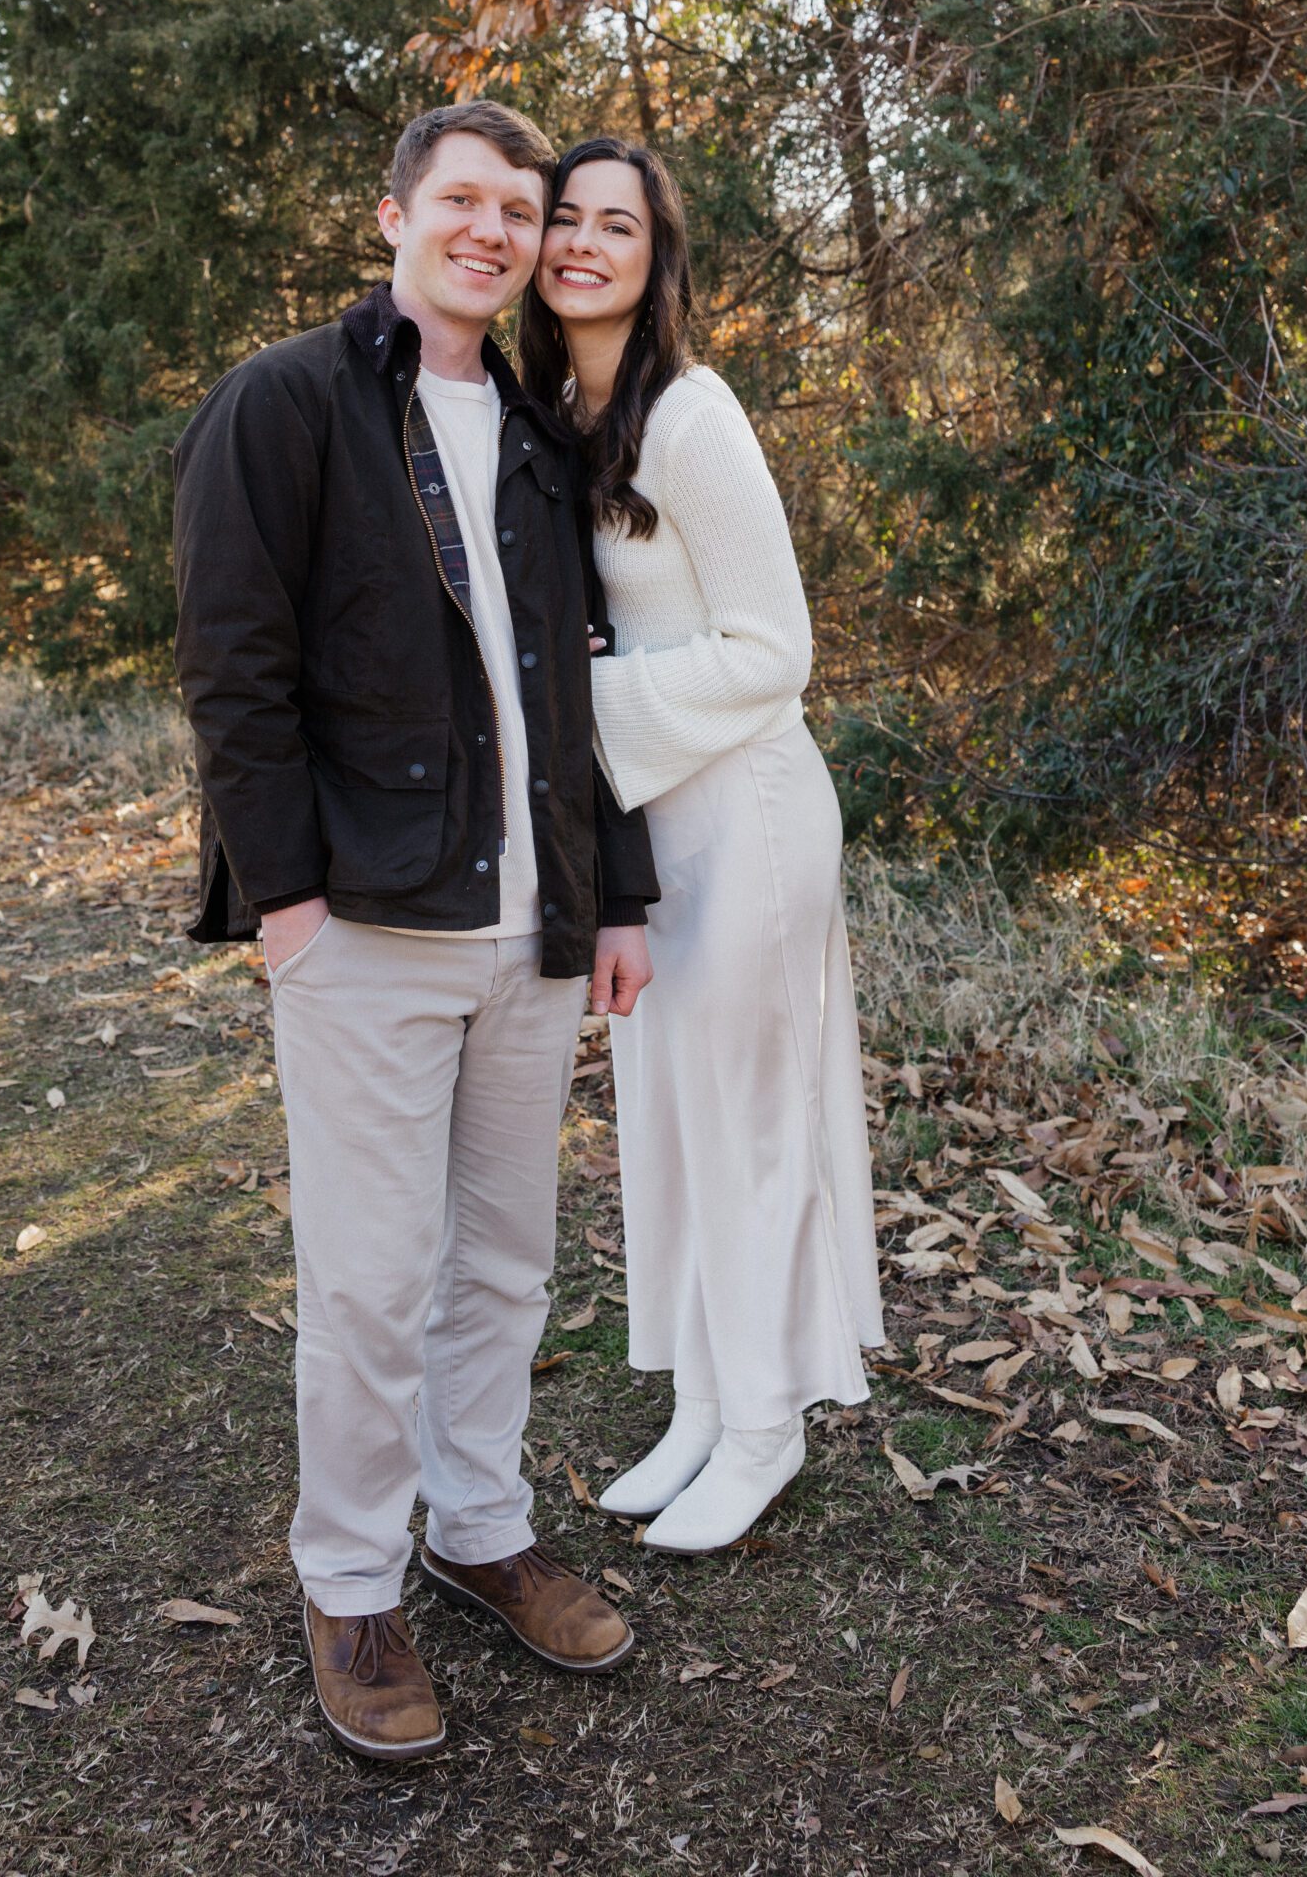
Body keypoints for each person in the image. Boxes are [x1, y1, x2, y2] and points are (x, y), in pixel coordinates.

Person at [172, 101, 658, 1762]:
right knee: (374, 1281)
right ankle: (350, 1580)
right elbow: (234, 670)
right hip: (366, 925)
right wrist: (289, 899)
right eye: (463, 198)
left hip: (533, 927)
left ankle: (476, 1529)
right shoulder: (288, 402)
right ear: (392, 213)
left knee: (505, 1263)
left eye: (520, 210)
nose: (496, 230)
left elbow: (581, 690)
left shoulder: (535, 431)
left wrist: (619, 897)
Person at [519, 135, 885, 1553]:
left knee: (751, 1120)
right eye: (567, 220)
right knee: (670, 1118)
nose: (585, 243)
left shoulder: (692, 413)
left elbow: (773, 651)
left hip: (748, 812)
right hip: (641, 827)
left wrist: (567, 704)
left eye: (619, 224)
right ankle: (696, 1397)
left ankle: (765, 1426)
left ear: (655, 257)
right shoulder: (558, 406)